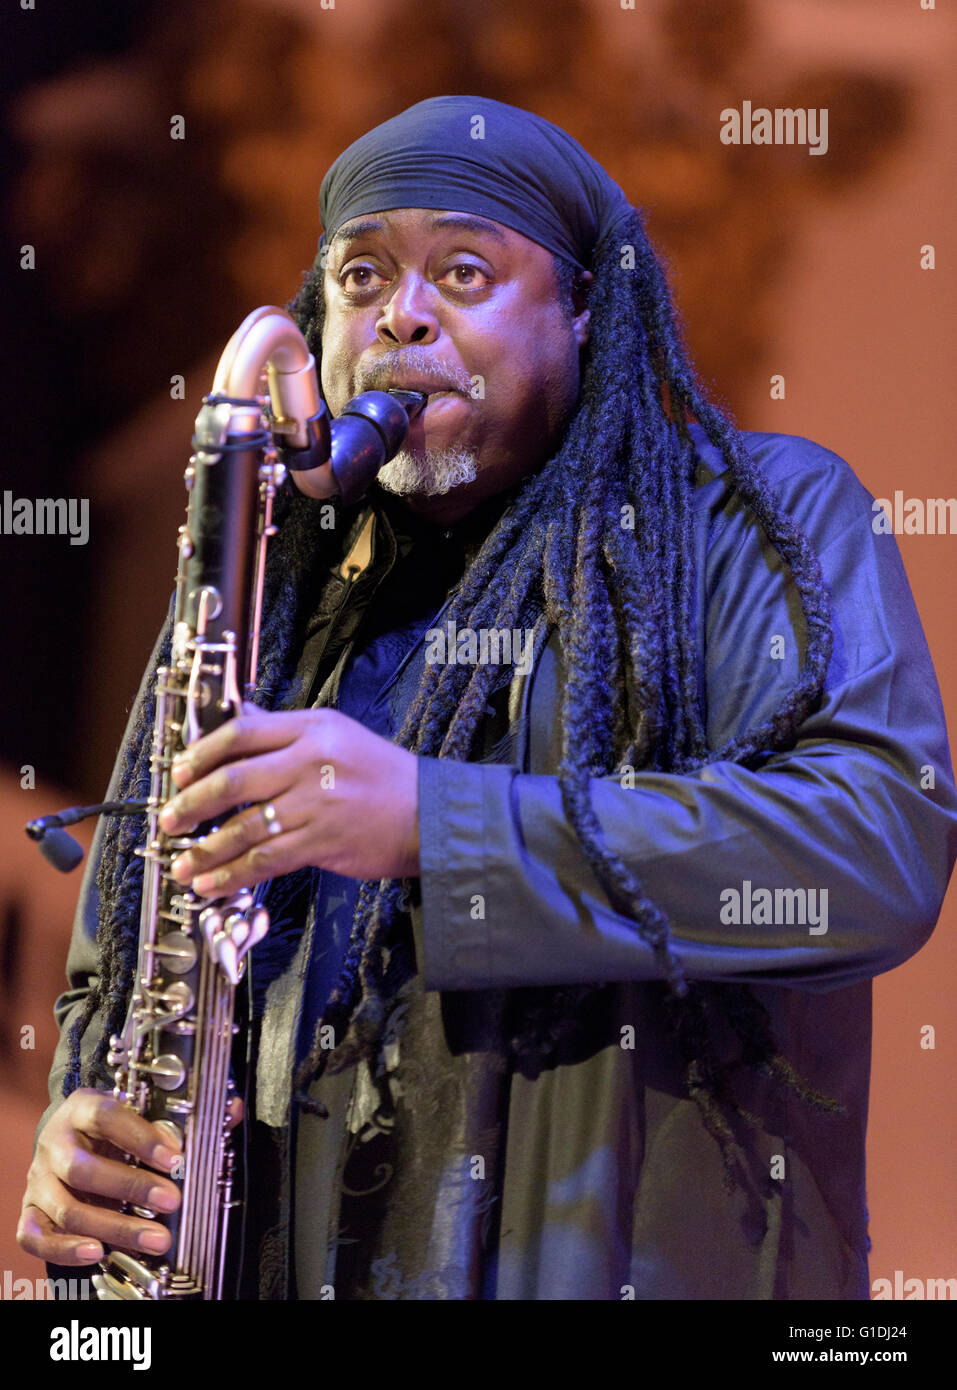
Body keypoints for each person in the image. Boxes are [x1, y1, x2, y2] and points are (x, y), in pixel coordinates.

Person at [18, 95, 957, 1301]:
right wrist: (79, 1133)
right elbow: (121, 968)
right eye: (359, 278)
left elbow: (875, 843)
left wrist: (433, 822)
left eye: (463, 270)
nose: (399, 311)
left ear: (581, 308)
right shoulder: (269, 585)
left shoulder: (750, 517)